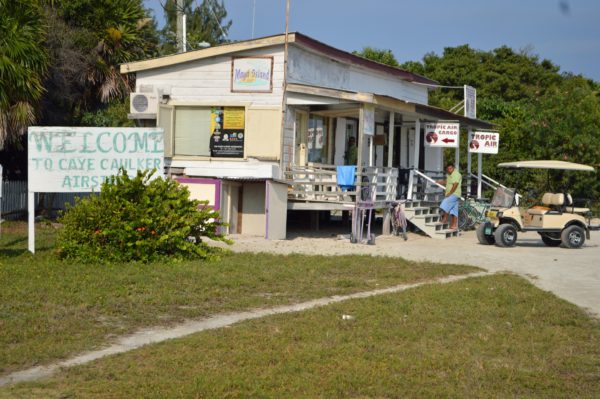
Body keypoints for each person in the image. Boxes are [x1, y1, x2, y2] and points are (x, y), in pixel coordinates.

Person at [438, 162, 462, 230]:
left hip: (454, 194)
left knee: (445, 203)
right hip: (453, 194)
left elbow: (455, 184)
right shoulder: (449, 174)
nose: (449, 170)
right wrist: (440, 182)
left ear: (453, 168)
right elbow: (447, 182)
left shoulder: (456, 174)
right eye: (448, 169)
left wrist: (450, 193)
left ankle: (444, 219)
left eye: (450, 168)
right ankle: (454, 225)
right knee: (454, 210)